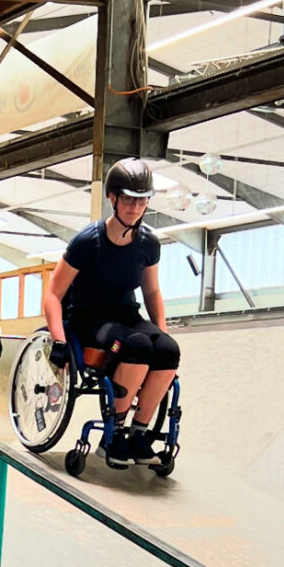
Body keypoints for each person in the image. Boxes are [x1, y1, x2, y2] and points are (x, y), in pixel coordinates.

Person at [42, 157, 180, 468]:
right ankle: (112, 433)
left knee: (168, 350)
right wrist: (58, 340)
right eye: (129, 199)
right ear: (112, 198)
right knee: (137, 346)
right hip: (89, 318)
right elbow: (53, 294)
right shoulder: (88, 241)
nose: (135, 207)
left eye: (142, 200)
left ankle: (139, 433)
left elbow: (152, 292)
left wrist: (162, 332)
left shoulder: (148, 243)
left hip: (126, 315)